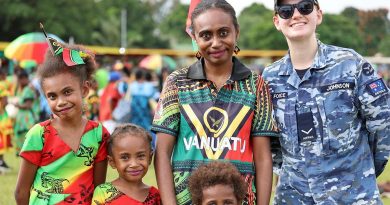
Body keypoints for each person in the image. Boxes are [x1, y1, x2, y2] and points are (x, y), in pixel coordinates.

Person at [262, 0, 390, 204]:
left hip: (352, 196)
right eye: (286, 11)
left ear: (318, 15)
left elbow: (382, 124)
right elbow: (271, 143)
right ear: (277, 21)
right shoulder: (270, 78)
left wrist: (360, 171)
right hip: (294, 197)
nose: (296, 15)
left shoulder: (350, 64)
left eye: (305, 7)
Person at [151, 0, 278, 204]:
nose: (216, 43)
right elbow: (162, 153)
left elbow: (263, 158)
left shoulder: (256, 84)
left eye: (223, 32)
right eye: (206, 35)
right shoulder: (177, 82)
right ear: (194, 37)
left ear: (236, 31)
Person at [14, 42, 110, 205]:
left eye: (67, 92)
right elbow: (21, 192)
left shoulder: (99, 135)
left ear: (85, 90)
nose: (61, 102)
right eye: (52, 96)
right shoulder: (39, 135)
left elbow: (98, 190)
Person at [92, 123, 161, 205]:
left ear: (150, 158)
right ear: (112, 162)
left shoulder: (156, 195)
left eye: (140, 156)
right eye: (125, 157)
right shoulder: (103, 193)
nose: (134, 164)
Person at [13, 70, 39, 155]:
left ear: (25, 79)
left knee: (27, 141)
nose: (19, 81)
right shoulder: (23, 89)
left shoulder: (28, 89)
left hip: (26, 119)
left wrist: (17, 105)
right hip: (22, 118)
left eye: (20, 79)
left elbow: (28, 105)